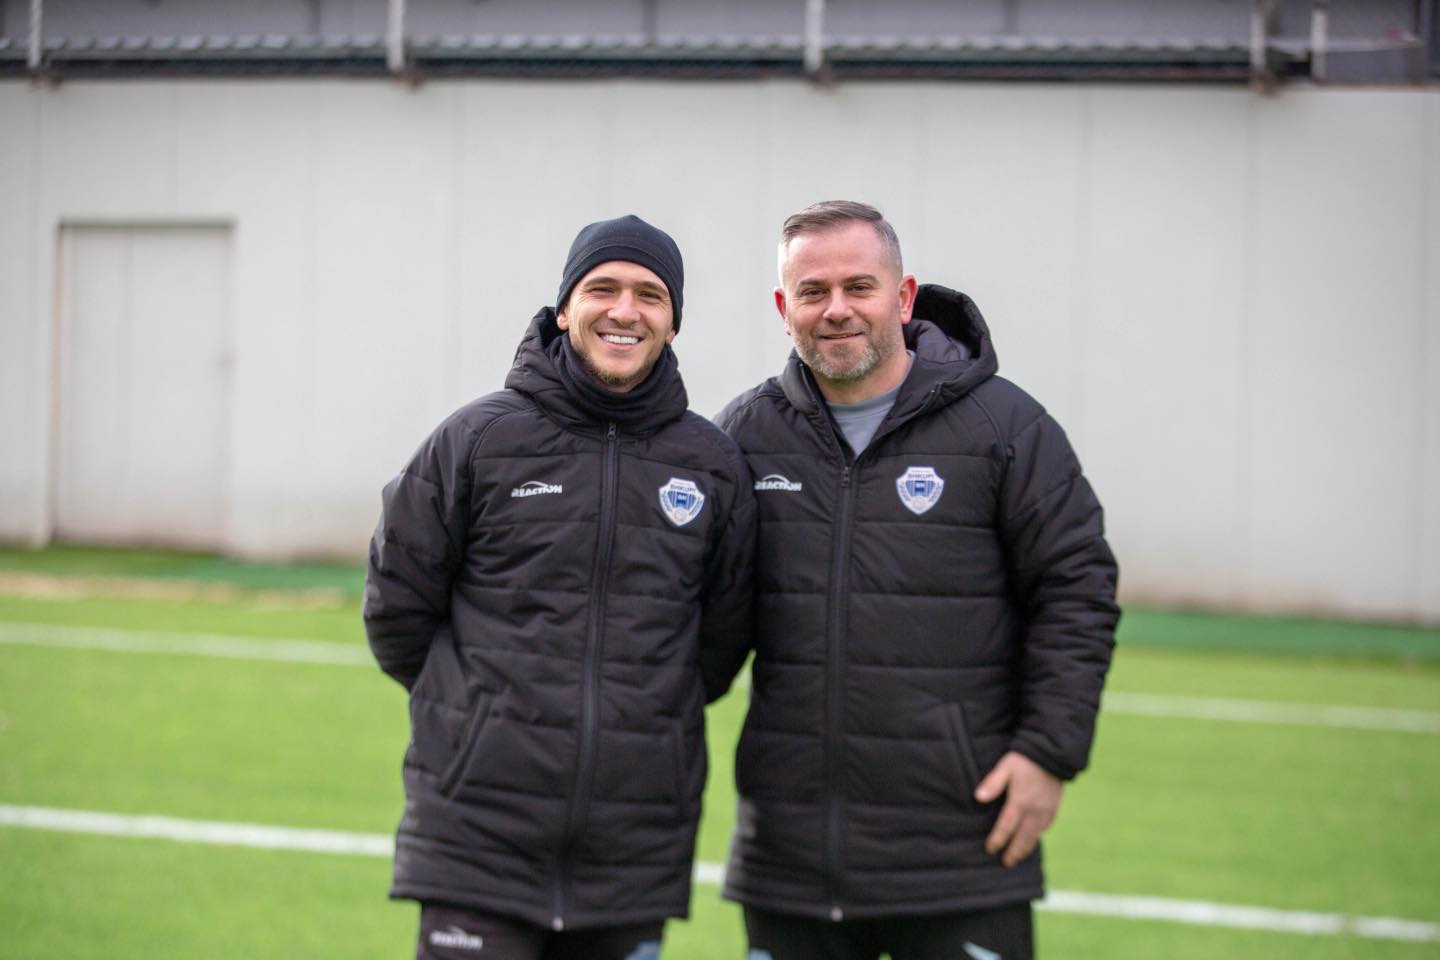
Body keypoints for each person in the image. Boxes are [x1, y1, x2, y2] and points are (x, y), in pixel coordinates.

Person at [714, 201, 1119, 960]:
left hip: (961, 851)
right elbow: (695, 620)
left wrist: (1048, 752)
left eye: (859, 287)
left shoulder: (1006, 428)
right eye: (812, 291)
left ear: (903, 297)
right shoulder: (744, 436)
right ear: (783, 308)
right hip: (792, 859)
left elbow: (1077, 589)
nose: (836, 309)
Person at [364, 214, 755, 960]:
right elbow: (396, 609)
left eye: (649, 295)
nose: (624, 310)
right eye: (602, 288)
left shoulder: (711, 465)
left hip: (632, 847)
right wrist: (479, 710)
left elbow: (721, 641)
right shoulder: (477, 439)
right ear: (565, 308)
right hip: (477, 837)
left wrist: (639, 720)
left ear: (673, 322)